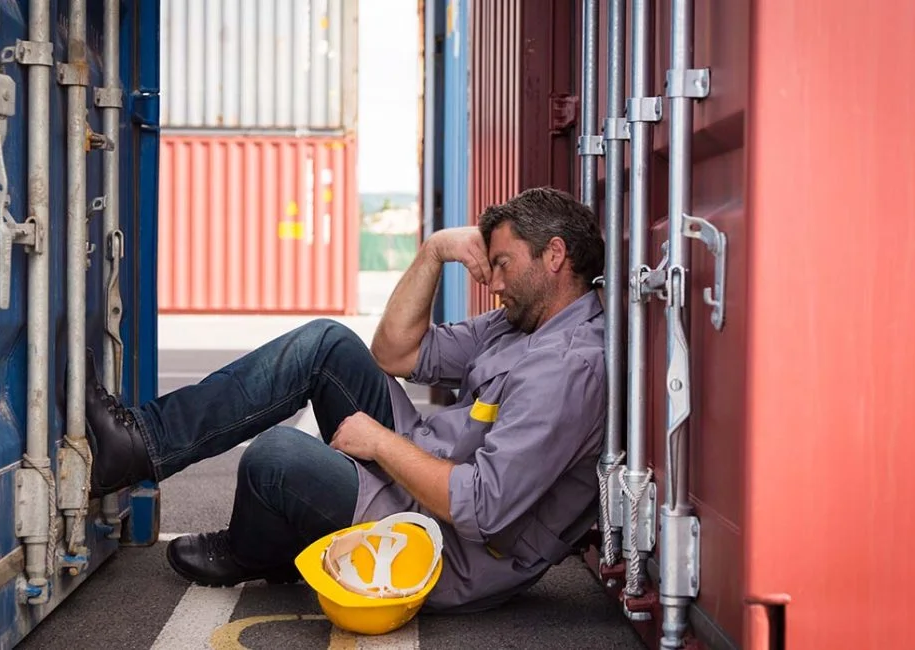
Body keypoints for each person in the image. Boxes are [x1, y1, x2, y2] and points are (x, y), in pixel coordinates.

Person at [83, 186, 607, 613]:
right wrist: (435, 251)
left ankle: (257, 549)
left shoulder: (567, 370)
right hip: (422, 469)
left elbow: (482, 509)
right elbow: (395, 351)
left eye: (503, 264)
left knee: (276, 459)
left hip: (445, 543)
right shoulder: (521, 324)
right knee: (325, 344)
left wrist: (378, 443)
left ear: (555, 255)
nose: (493, 283)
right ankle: (140, 445)